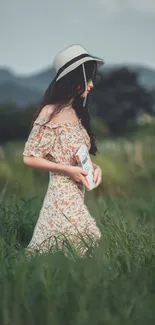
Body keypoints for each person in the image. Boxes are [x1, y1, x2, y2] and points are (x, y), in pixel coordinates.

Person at [23, 44, 104, 256]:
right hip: (60, 195)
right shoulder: (49, 112)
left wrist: (95, 168)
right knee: (81, 246)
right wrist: (68, 171)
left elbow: (78, 156)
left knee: (66, 252)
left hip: (77, 194)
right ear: (75, 82)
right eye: (88, 79)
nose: (92, 85)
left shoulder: (76, 113)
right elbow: (29, 157)